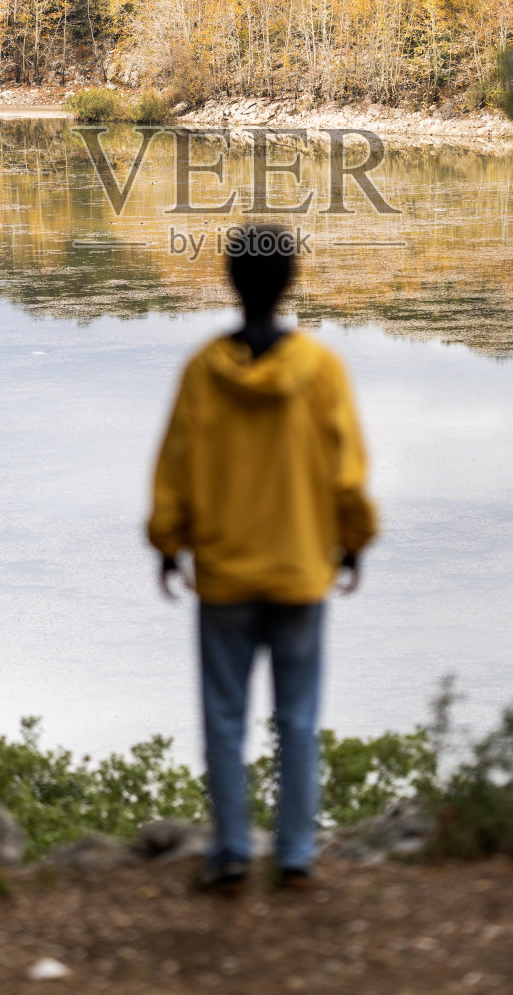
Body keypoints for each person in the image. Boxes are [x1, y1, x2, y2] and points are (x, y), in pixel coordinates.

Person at [147, 224, 378, 891]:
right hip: (301, 568)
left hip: (223, 576)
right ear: (289, 283)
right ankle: (296, 854)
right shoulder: (321, 371)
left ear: (229, 281)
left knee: (224, 719)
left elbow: (175, 471)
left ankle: (229, 852)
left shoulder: (200, 372)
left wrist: (168, 545)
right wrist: (353, 541)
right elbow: (345, 476)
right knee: (297, 719)